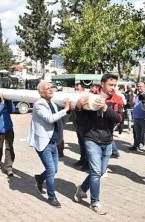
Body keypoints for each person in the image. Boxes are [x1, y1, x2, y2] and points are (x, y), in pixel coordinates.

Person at [73, 74, 123, 215]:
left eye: (115, 85)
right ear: (103, 84)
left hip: (107, 141)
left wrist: (106, 108)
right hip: (91, 139)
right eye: (110, 84)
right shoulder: (90, 97)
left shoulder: (117, 99)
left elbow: (118, 118)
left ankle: (82, 189)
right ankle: (95, 202)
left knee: (100, 172)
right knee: (95, 172)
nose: (113, 87)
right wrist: (78, 107)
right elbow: (80, 120)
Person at [27, 81, 70, 208]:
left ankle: (40, 178)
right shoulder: (39, 104)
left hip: (53, 142)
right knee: (51, 170)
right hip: (44, 143)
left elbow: (60, 119)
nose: (51, 90)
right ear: (41, 92)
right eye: (47, 88)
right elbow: (50, 119)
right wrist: (66, 109)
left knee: (54, 169)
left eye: (51, 88)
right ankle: (52, 196)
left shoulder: (52, 103)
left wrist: (69, 111)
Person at [129, 82, 145, 153]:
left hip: (143, 117)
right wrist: (134, 96)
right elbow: (132, 104)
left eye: (141, 86)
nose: (139, 88)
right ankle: (136, 145)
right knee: (137, 134)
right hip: (136, 117)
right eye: (138, 86)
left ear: (144, 87)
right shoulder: (137, 95)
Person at [73, 83, 88, 169]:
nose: (76, 90)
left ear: (83, 89)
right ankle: (82, 159)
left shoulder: (85, 98)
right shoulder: (75, 98)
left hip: (84, 124)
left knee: (86, 144)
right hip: (78, 124)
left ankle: (87, 163)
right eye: (75, 89)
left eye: (78, 89)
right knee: (81, 143)